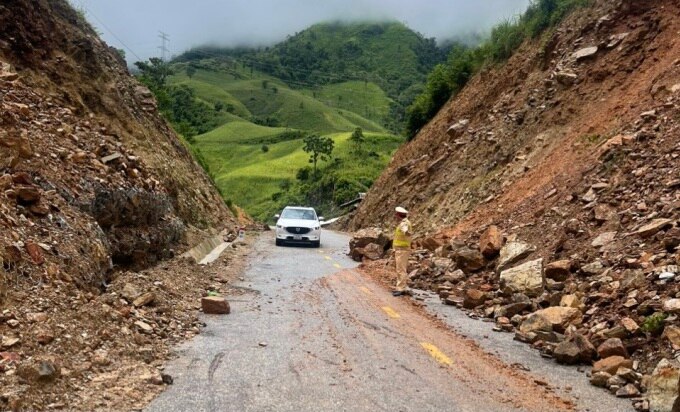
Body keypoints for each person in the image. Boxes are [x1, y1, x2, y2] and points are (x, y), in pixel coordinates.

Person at [392, 206, 412, 297]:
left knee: (401, 270)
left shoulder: (404, 223)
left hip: (403, 250)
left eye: (396, 214)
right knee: (399, 269)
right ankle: (400, 287)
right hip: (399, 249)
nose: (395, 216)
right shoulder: (402, 223)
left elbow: (406, 231)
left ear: (398, 215)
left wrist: (406, 231)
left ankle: (401, 288)